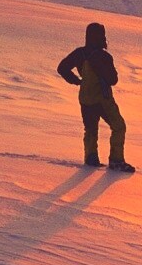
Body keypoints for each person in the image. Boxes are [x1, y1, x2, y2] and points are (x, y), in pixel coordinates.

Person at [57, 22, 135, 173]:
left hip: (85, 98)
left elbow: (62, 68)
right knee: (119, 126)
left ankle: (91, 158)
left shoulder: (79, 53)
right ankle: (116, 160)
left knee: (90, 129)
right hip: (102, 99)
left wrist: (76, 81)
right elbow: (113, 80)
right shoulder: (103, 56)